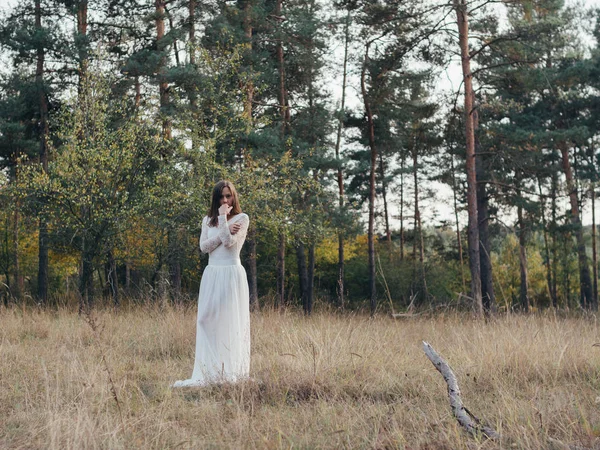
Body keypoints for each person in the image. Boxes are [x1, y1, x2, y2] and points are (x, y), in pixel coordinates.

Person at [172, 180, 250, 387]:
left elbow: (229, 243)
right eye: (221, 197)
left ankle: (229, 371)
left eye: (228, 196)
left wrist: (224, 218)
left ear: (233, 196)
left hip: (231, 273)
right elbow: (204, 247)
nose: (225, 200)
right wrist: (223, 225)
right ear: (215, 198)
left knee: (229, 321)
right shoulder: (207, 220)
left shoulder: (242, 218)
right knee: (206, 320)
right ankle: (211, 369)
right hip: (212, 273)